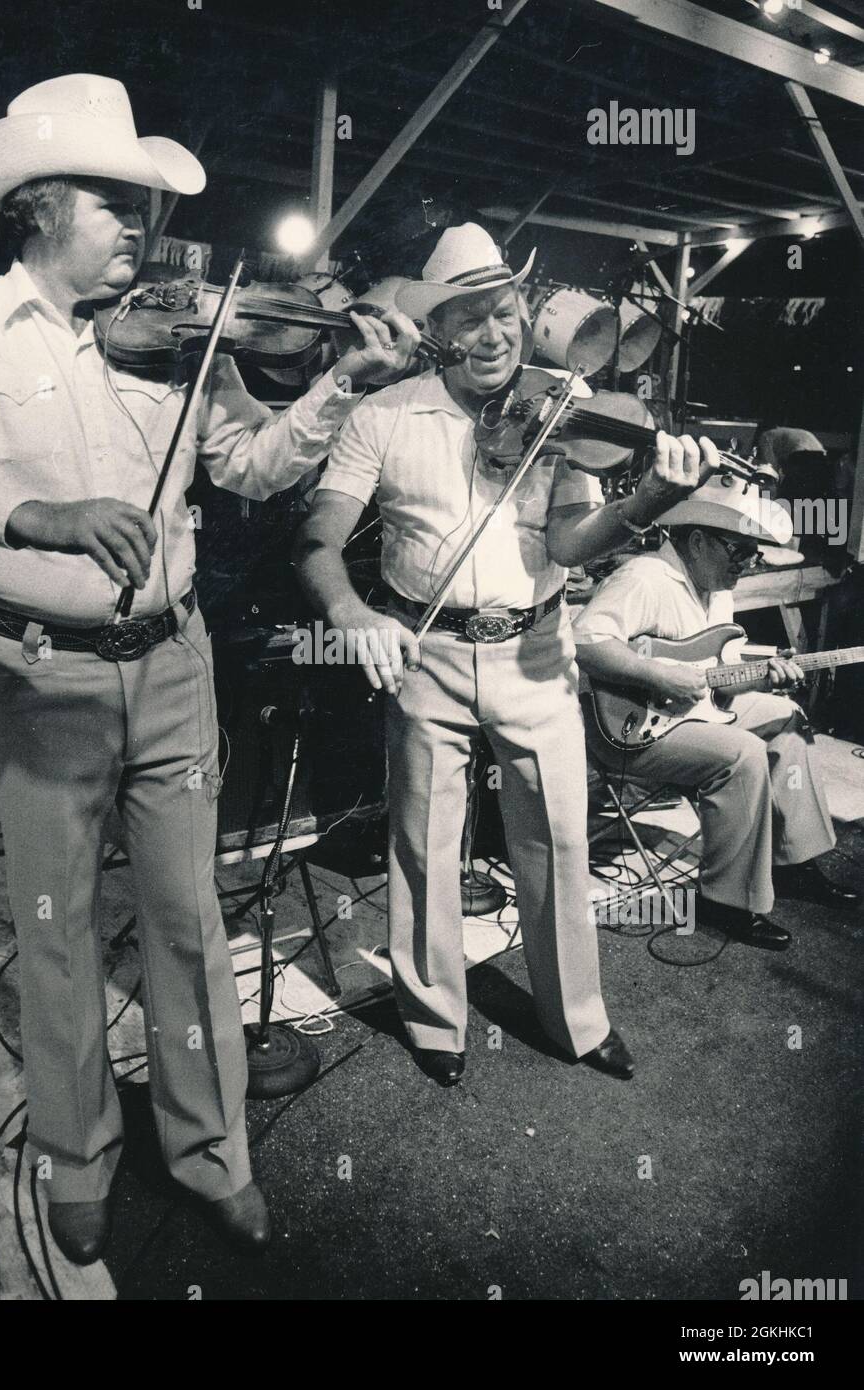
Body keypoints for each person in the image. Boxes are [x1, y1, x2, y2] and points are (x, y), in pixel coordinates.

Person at [0, 73, 418, 1265]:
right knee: (57, 931)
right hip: (39, 677)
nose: (143, 230)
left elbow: (256, 466)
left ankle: (213, 1152)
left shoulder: (178, 336)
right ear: (39, 206)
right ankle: (79, 1156)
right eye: (117, 203)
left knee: (188, 921)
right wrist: (32, 515)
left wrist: (335, 386)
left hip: (174, 664)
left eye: (142, 208)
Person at [294, 223, 719, 1088]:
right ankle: (433, 1017)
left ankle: (576, 1019)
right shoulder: (383, 415)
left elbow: (570, 542)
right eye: (471, 319)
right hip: (426, 652)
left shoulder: (562, 406)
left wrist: (650, 498)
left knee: (558, 841)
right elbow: (315, 541)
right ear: (438, 328)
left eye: (506, 315)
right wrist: (349, 613)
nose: (493, 337)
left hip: (534, 652)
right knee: (422, 844)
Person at [573, 475, 859, 950]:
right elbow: (585, 643)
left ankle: (793, 861)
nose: (748, 565)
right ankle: (724, 899)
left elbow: (718, 676)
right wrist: (657, 676)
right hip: (630, 730)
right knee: (742, 753)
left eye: (755, 554)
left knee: (787, 719)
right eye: (740, 551)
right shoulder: (644, 577)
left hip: (697, 712)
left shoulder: (717, 587)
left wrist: (767, 676)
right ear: (699, 540)